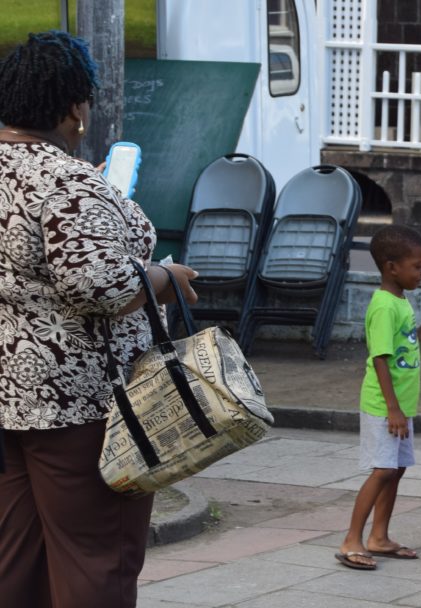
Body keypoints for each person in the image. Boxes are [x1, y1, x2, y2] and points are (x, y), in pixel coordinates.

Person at [0, 31, 200, 606]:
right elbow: (100, 286)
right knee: (98, 557)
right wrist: (165, 277)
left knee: (18, 556)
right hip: (80, 407)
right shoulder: (67, 181)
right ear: (75, 108)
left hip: (10, 396)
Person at [335, 225, 421, 570]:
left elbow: (407, 340)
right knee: (383, 470)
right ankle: (351, 539)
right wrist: (393, 409)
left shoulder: (399, 301)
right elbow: (380, 358)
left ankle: (379, 537)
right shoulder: (384, 306)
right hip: (384, 406)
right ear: (391, 267)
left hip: (400, 405)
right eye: (417, 266)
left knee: (396, 469)